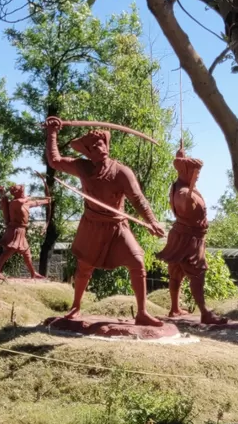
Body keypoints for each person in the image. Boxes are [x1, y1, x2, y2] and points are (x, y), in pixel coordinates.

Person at [45, 117, 167, 326]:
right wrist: (52, 134)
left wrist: (152, 221)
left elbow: (138, 199)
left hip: (117, 226)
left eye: (102, 143)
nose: (100, 147)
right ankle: (75, 306)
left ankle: (142, 312)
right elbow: (54, 161)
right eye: (94, 145)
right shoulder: (82, 167)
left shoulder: (122, 172)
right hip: (91, 226)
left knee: (137, 260)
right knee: (84, 267)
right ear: (88, 152)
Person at [159, 148, 227, 325]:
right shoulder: (182, 192)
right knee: (196, 273)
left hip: (180, 235)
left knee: (177, 271)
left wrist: (181, 155)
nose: (198, 176)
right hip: (190, 240)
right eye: (195, 172)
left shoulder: (179, 185)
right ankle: (205, 312)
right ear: (186, 172)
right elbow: (183, 203)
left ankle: (174, 308)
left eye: (199, 172)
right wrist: (187, 203)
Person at [0, 184, 50, 280]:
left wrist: (46, 201)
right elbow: (22, 201)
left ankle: (33, 273)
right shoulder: (15, 202)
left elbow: (35, 203)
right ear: (16, 193)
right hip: (15, 231)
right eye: (21, 191)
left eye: (23, 191)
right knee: (8, 252)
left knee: (27, 253)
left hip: (22, 231)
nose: (23, 193)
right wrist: (29, 197)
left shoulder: (25, 203)